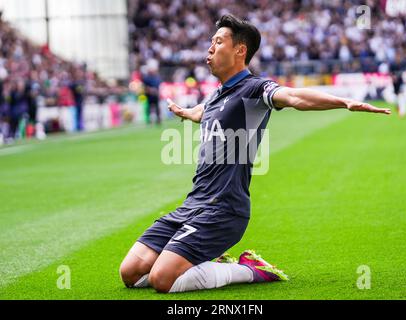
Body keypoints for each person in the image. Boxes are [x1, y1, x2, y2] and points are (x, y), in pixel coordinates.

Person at [119, 14, 391, 294]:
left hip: (223, 210)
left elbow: (295, 97)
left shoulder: (255, 89)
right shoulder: (215, 96)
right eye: (210, 42)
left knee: (163, 280)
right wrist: (186, 113)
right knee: (131, 273)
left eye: (218, 42)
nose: (210, 49)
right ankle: (204, 258)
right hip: (192, 205)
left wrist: (344, 101)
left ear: (240, 50)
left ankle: (250, 269)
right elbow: (204, 112)